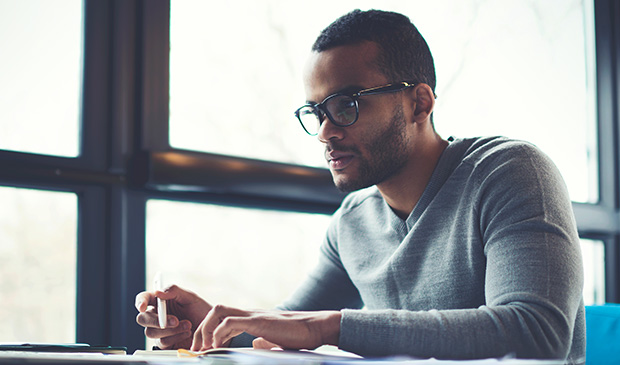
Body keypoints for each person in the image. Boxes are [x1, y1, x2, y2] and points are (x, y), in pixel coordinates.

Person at [134, 9, 585, 363]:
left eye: (346, 104)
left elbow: (536, 334)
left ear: (419, 102)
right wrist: (210, 326)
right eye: (316, 113)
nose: (327, 131)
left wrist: (330, 328)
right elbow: (288, 326)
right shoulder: (352, 222)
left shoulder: (510, 172)